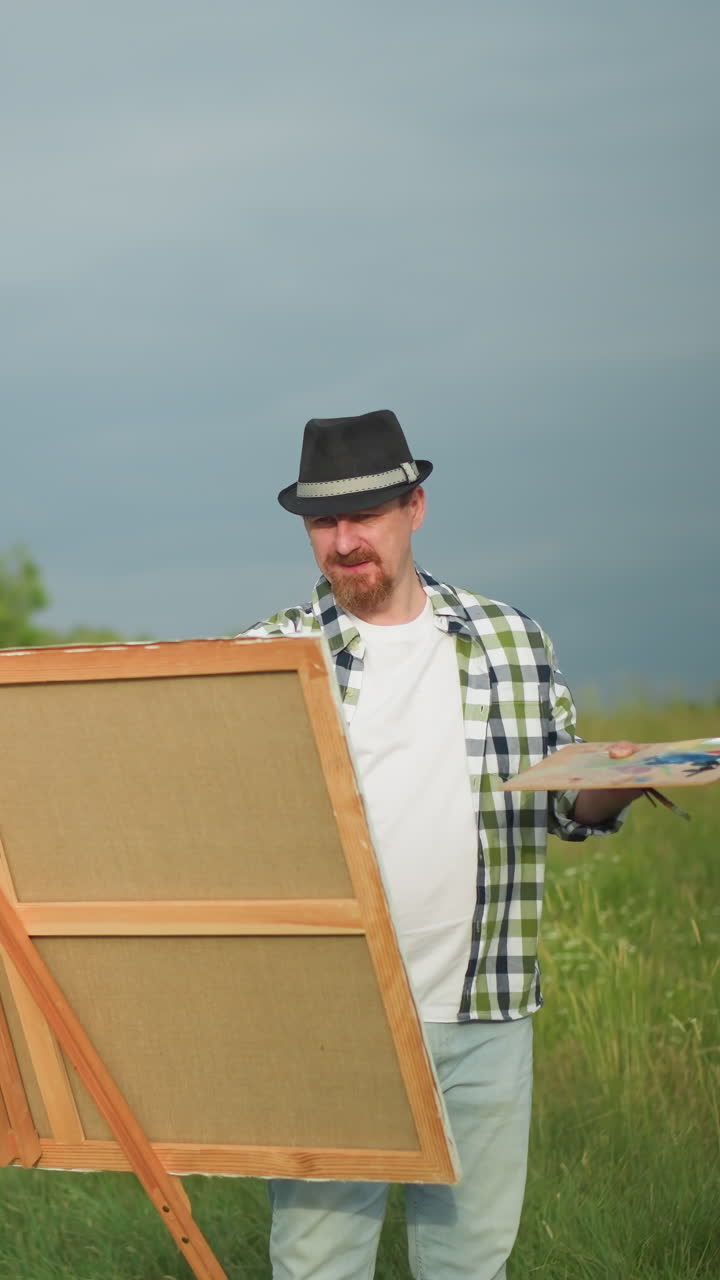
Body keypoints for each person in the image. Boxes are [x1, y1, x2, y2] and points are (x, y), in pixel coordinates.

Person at [243, 409, 642, 1280]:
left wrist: (616, 781)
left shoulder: (512, 641)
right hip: (331, 1019)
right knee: (318, 1267)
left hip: (485, 1007)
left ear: (414, 507)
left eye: (366, 517)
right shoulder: (268, 656)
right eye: (323, 522)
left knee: (469, 1264)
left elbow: (562, 807)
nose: (346, 542)